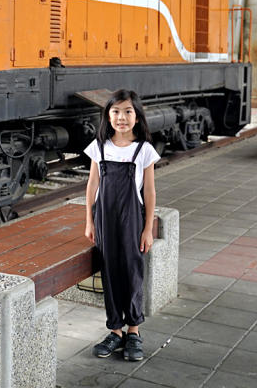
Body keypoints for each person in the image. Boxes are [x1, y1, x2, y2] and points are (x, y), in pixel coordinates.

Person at [84, 89, 159, 362]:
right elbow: (92, 185)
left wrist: (148, 227)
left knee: (132, 271)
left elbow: (149, 192)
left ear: (137, 117)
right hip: (105, 220)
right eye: (115, 111)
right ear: (108, 115)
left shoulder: (144, 150)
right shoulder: (99, 146)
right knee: (111, 272)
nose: (121, 117)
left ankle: (134, 331)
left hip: (132, 221)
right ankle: (115, 331)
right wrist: (89, 221)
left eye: (128, 111)